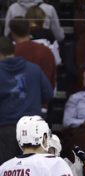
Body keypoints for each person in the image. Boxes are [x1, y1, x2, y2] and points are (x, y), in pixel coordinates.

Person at [0, 37, 52, 165]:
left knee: (6, 172)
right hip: (33, 128)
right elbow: (48, 94)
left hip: (6, 128)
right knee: (33, 170)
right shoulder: (34, 69)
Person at [8, 17, 55, 89]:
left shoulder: (8, 54)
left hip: (14, 97)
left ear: (12, 32)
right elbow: (51, 80)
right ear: (29, 30)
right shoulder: (45, 51)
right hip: (39, 96)